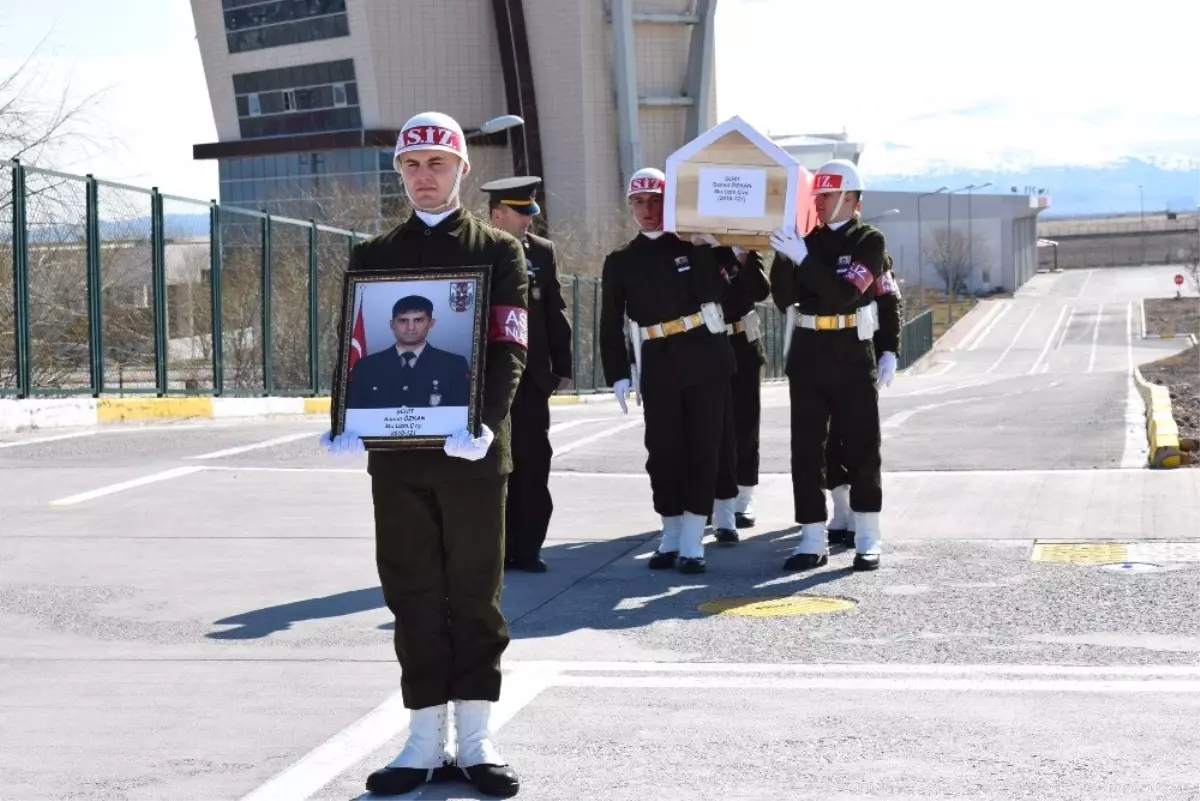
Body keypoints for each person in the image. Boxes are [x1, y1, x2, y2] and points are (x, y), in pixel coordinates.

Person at [320, 110, 528, 798]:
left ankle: (475, 738)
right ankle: (419, 739)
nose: (423, 176)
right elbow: (356, 344)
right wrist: (343, 417)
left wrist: (485, 422)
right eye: (411, 165)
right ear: (399, 172)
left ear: (462, 170)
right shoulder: (373, 255)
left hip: (471, 455)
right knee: (411, 591)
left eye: (437, 163)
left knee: (474, 593)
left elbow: (509, 347)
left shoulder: (500, 251)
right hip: (400, 461)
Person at [599, 166, 736, 574]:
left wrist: (700, 248)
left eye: (655, 200)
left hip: (704, 355)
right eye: (639, 201)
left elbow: (714, 293)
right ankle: (671, 531)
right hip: (657, 360)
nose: (647, 209)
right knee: (662, 451)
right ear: (629, 206)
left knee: (703, 446)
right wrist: (619, 372)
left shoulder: (694, 245)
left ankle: (694, 538)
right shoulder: (621, 260)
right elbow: (611, 320)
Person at [768, 158, 887, 572]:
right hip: (808, 352)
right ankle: (811, 537)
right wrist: (783, 256)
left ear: (853, 199)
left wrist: (802, 260)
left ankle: (868, 534)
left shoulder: (869, 241)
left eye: (829, 195)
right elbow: (783, 298)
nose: (820, 202)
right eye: (818, 195)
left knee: (861, 445)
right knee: (805, 450)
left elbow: (843, 295)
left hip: (852, 354)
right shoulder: (807, 241)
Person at [480, 175, 573, 573]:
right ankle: (496, 548)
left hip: (532, 376)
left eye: (530, 213)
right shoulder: (476, 249)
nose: (528, 221)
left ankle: (529, 546)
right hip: (488, 378)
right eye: (521, 214)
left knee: (534, 462)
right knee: (493, 465)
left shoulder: (542, 252)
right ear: (497, 214)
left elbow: (555, 310)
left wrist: (562, 366)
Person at [825, 252, 901, 545]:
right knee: (829, 440)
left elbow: (890, 303)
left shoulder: (873, 251)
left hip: (861, 354)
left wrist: (889, 351)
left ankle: (861, 512)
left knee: (858, 438)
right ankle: (841, 507)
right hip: (821, 355)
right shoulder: (817, 248)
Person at [711, 245, 771, 536]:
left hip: (742, 345)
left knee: (745, 425)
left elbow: (760, 291)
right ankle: (715, 496)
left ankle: (744, 498)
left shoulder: (743, 247)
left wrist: (744, 258)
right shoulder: (699, 248)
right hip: (706, 345)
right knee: (711, 428)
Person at [346, 294, 471, 410]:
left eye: (418, 320)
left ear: (431, 324)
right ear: (392, 325)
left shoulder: (454, 365)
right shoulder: (366, 367)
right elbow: (354, 413)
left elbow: (461, 415)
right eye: (403, 321)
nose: (410, 328)